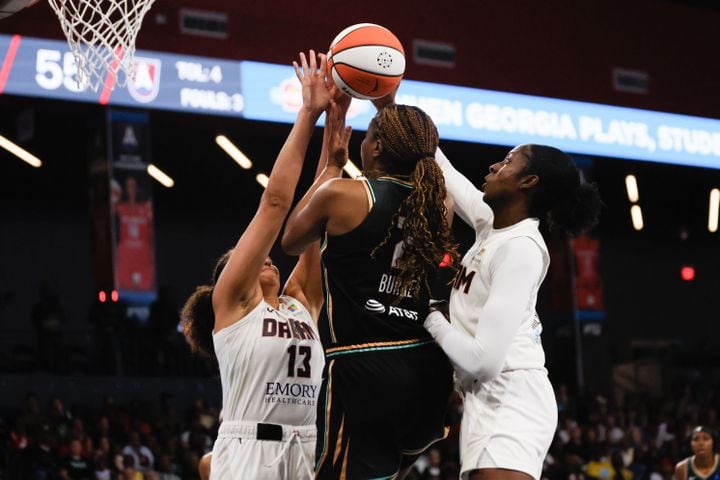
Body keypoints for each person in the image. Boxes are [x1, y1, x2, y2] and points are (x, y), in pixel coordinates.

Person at [282, 96, 457, 478]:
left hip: (364, 365)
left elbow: (291, 240)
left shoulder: (345, 195)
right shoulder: (438, 205)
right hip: (427, 367)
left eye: (368, 134)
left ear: (375, 147)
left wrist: (332, 165)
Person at [416, 120, 601, 480]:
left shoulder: (521, 250)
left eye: (507, 162)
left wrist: (432, 317)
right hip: (486, 397)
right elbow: (446, 172)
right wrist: (388, 104)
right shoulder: (494, 227)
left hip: (512, 396)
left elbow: (483, 361)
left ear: (527, 182)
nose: (494, 166)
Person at [181, 50, 334, 480]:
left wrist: (335, 130)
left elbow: (320, 211)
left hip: (305, 446)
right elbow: (276, 204)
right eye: (243, 260)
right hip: (251, 450)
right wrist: (308, 114)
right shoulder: (233, 307)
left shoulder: (301, 301)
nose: (262, 257)